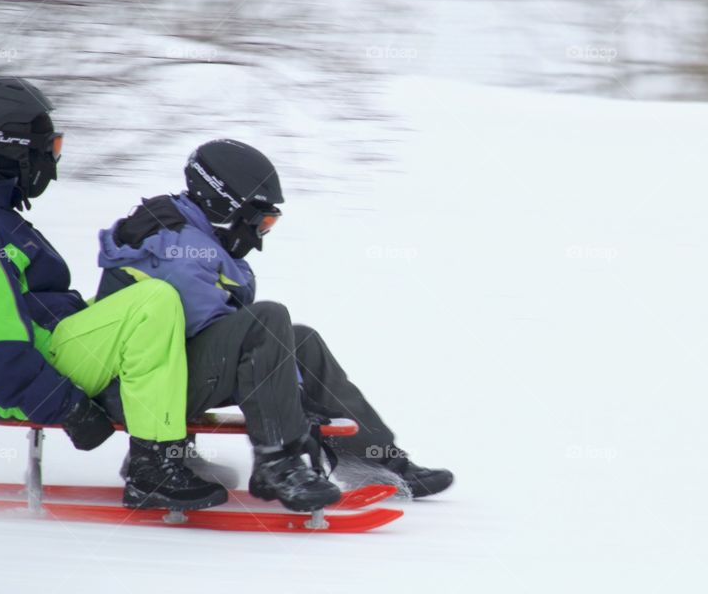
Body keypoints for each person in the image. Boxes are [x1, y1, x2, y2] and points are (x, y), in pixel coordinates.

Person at [0, 76, 225, 512]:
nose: (54, 159)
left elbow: (33, 313)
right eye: (49, 146)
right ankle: (154, 469)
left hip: (44, 352)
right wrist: (67, 406)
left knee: (148, 293)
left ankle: (168, 448)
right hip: (10, 381)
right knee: (155, 302)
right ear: (11, 145)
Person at [94, 139, 454, 508]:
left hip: (169, 377)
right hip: (137, 393)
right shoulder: (176, 249)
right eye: (260, 222)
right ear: (225, 203)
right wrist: (294, 398)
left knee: (302, 341)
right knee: (267, 319)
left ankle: (375, 459)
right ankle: (278, 462)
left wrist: (292, 384)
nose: (260, 234)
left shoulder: (195, 235)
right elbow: (218, 335)